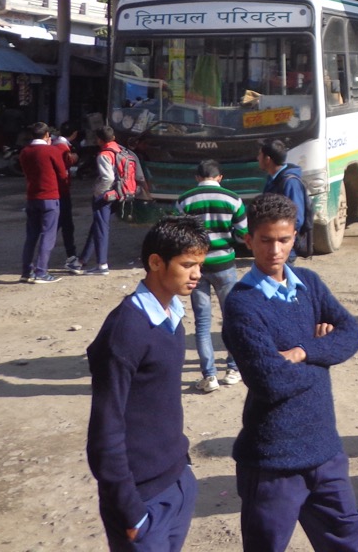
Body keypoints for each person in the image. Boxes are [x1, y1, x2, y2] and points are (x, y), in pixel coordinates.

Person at [222, 194, 358, 552]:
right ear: (249, 240)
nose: (275, 249)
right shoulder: (242, 303)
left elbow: (351, 333)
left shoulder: (310, 283)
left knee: (350, 541)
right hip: (274, 460)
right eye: (266, 240)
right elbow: (269, 381)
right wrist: (324, 359)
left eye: (284, 240)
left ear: (295, 237)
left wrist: (305, 351)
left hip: (325, 450)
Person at [86, 216, 207, 551]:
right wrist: (130, 511)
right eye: (187, 265)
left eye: (199, 264)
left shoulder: (173, 318)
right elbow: (104, 432)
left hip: (176, 483)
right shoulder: (126, 332)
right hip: (141, 500)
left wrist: (183, 472)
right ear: (156, 262)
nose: (197, 274)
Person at [175, 160, 248, 393]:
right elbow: (242, 233)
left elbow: (178, 234)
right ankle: (233, 369)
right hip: (225, 265)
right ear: (220, 177)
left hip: (196, 267)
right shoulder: (233, 199)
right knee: (231, 318)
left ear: (197, 178)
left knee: (202, 323)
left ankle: (210, 376)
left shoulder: (184, 200)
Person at [19, 122, 68, 284]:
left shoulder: (25, 152)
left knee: (31, 235)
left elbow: (25, 172)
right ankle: (41, 272)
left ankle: (27, 271)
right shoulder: (51, 151)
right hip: (50, 197)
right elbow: (62, 173)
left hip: (32, 197)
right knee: (48, 235)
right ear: (47, 135)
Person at [81, 126, 123, 276]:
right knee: (99, 226)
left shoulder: (104, 155)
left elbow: (108, 178)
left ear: (99, 140)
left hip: (106, 195)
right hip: (120, 193)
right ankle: (82, 260)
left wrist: (98, 191)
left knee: (101, 229)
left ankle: (102, 265)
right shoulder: (119, 150)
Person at [258, 139, 309, 247]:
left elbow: (297, 218)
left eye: (260, 155)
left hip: (285, 246)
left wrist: (283, 239)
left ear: (267, 159)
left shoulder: (290, 183)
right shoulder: (272, 179)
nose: (257, 158)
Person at [52, 123, 81, 272]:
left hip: (54, 192)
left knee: (56, 226)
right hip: (61, 192)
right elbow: (63, 171)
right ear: (74, 134)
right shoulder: (63, 148)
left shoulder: (54, 144)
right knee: (64, 225)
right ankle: (71, 257)